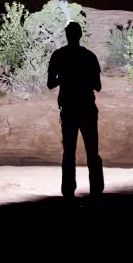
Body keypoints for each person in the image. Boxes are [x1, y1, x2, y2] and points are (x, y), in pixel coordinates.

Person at [47, 22, 104, 200]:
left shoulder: (58, 55)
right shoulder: (89, 56)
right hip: (87, 107)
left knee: (69, 152)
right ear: (80, 35)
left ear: (66, 35)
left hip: (69, 108)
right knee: (92, 151)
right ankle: (96, 189)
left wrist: (64, 79)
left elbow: (50, 84)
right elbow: (98, 86)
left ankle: (68, 191)